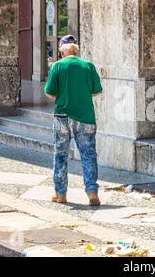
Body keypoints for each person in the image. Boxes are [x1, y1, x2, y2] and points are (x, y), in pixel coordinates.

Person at [44, 35, 103, 206]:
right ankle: (92, 193)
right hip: (85, 117)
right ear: (76, 50)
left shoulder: (57, 66)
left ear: (62, 50)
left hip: (62, 116)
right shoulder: (88, 66)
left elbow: (49, 93)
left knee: (60, 155)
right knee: (88, 155)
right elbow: (97, 91)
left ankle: (60, 194)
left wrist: (64, 93)